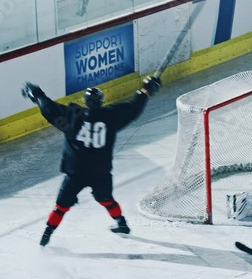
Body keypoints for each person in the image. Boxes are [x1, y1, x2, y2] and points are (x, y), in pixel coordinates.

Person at [21, 75, 161, 246]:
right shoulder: (111, 117)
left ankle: (46, 236)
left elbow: (48, 108)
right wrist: (146, 90)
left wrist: (35, 93)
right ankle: (122, 224)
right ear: (101, 101)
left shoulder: (71, 116)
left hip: (75, 173)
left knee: (61, 207)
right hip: (100, 173)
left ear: (85, 101)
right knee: (106, 199)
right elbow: (133, 109)